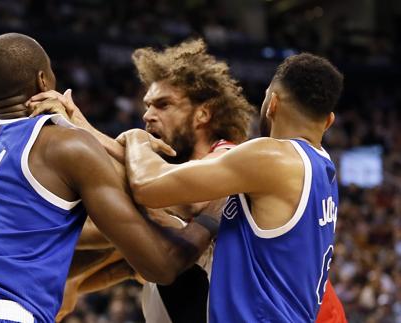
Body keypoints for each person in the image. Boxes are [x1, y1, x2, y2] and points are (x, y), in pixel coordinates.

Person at [0, 33, 214, 323]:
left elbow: (28, 240)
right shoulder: (64, 146)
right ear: (43, 81)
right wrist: (210, 218)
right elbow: (161, 265)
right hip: (5, 315)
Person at [31, 39, 253, 323]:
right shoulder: (162, 185)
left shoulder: (231, 155)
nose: (148, 115)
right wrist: (72, 282)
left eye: (163, 105)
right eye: (147, 105)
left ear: (203, 113)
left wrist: (82, 129)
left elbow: (189, 199)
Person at [119, 53, 343, 321]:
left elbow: (147, 185)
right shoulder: (324, 168)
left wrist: (137, 139)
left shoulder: (271, 157)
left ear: (272, 103)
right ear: (328, 121)